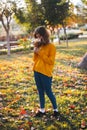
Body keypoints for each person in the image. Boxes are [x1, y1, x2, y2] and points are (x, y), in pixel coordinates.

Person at [33, 26, 59, 117]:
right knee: (40, 92)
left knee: (48, 92)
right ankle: (42, 110)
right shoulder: (39, 45)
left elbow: (50, 61)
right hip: (36, 71)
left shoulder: (51, 46)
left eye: (39, 36)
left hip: (46, 73)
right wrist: (35, 52)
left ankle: (56, 110)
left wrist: (40, 52)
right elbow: (35, 60)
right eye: (36, 36)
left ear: (44, 35)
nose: (38, 38)